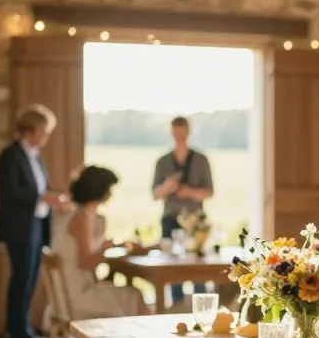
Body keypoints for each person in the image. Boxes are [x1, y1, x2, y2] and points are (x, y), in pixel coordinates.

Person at [0, 104, 68, 338]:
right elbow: (12, 193)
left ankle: (23, 329)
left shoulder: (34, 155)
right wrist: (45, 198)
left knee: (31, 278)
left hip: (36, 224)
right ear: (34, 129)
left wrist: (50, 200)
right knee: (22, 278)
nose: (46, 137)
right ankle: (17, 332)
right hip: (19, 227)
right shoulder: (10, 155)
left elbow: (38, 189)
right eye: (45, 131)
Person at [50, 166, 148, 319]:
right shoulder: (83, 216)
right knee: (135, 296)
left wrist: (110, 246)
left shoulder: (77, 213)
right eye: (109, 188)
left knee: (129, 293)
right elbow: (86, 262)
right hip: (77, 297)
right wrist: (104, 249)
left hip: (67, 294)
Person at [151, 115, 213, 306]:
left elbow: (209, 191)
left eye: (183, 134)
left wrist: (189, 192)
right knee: (172, 264)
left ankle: (201, 304)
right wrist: (167, 188)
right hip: (170, 218)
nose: (179, 138)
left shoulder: (201, 160)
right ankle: (176, 304)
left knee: (197, 265)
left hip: (195, 220)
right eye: (176, 134)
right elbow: (155, 193)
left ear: (188, 133)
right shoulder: (162, 162)